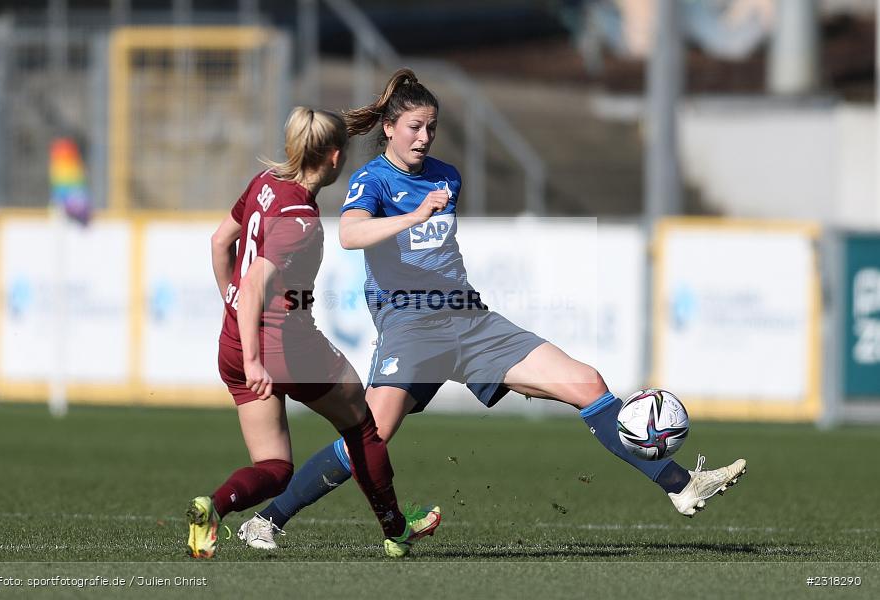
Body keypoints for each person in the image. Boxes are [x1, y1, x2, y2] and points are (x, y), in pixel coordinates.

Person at [238, 70, 746, 550]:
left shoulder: (447, 176)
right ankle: (267, 520)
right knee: (369, 434)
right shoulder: (371, 181)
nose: (424, 137)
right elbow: (350, 234)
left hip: (471, 321)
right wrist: (414, 214)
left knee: (587, 382)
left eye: (431, 128)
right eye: (414, 127)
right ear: (389, 128)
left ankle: (681, 485)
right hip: (412, 327)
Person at [187, 106, 440, 559]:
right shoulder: (299, 221)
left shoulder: (264, 185)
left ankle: (214, 506)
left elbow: (220, 242)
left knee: (274, 468)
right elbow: (254, 285)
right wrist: (254, 356)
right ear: (334, 156)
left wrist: (233, 314)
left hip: (233, 341)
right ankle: (396, 528)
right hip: (284, 347)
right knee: (362, 426)